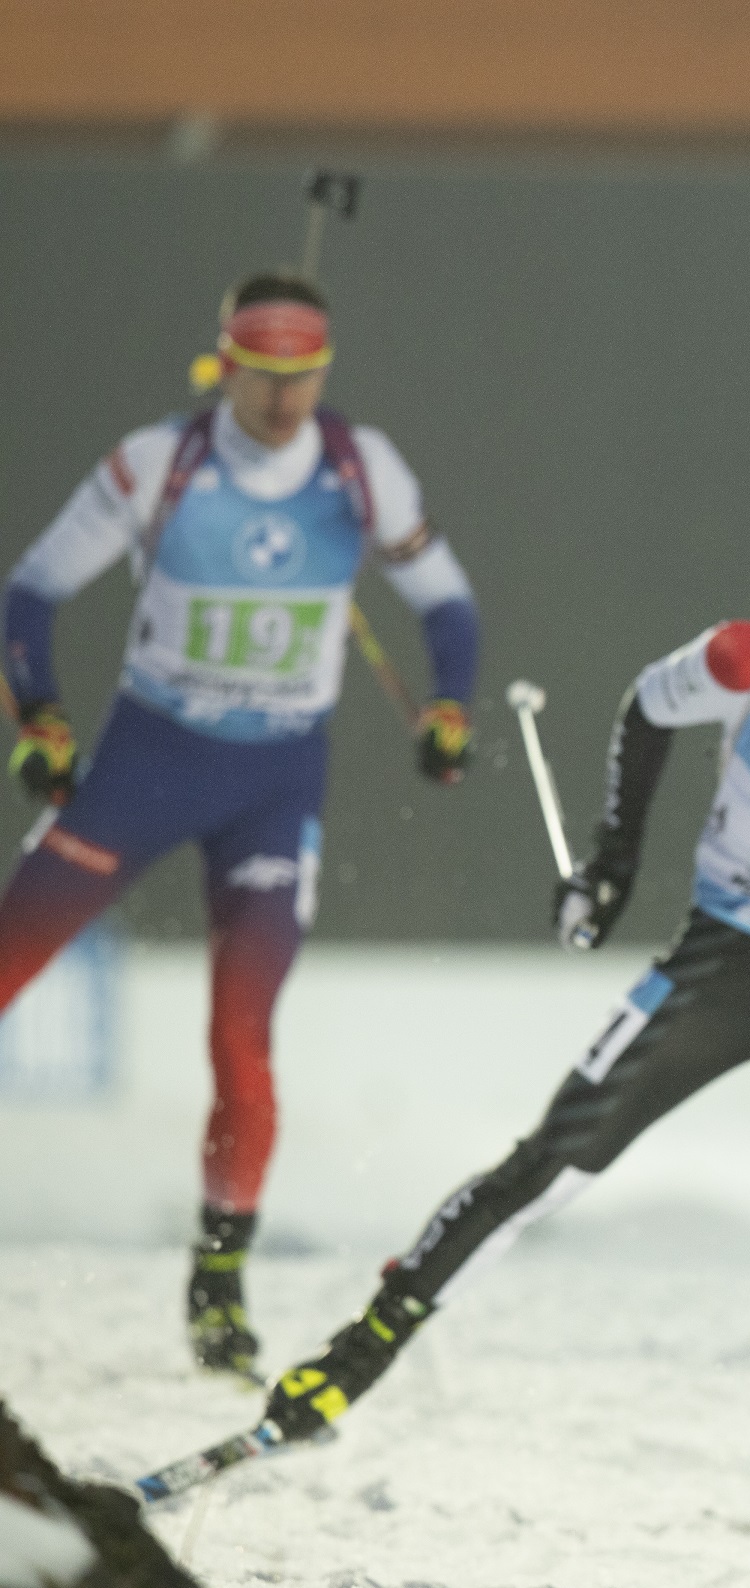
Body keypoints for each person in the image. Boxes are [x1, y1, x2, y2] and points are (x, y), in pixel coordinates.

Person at [253, 476, 750, 1537]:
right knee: (550, 1169)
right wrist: (611, 864)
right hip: (725, 966)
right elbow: (648, 702)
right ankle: (354, 1356)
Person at [0, 273, 480, 1379]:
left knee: (243, 1040)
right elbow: (29, 592)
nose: (283, 399)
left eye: (303, 374)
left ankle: (219, 1283)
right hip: (146, 761)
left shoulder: (364, 470)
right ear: (226, 366)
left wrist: (449, 703)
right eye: (262, 376)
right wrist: (43, 719)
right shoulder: (159, 462)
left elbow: (448, 602)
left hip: (274, 783)